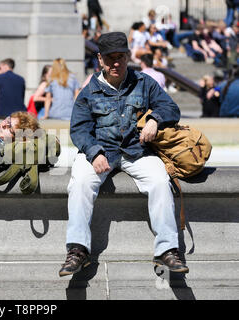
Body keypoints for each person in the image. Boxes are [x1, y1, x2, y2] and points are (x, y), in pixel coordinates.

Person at [59, 32, 188, 277]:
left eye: (120, 57)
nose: (115, 63)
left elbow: (170, 107)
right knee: (80, 183)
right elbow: (79, 129)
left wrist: (154, 119)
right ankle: (77, 250)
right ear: (100, 59)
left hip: (136, 152)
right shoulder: (89, 91)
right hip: (100, 151)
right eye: (109, 58)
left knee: (161, 181)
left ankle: (167, 249)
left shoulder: (144, 82)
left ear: (128, 56)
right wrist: (94, 152)